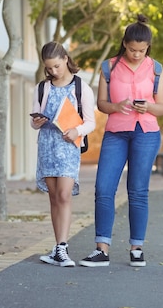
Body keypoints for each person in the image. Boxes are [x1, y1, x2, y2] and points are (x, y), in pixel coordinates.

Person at [79, 14, 163, 268]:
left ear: (148, 47)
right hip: (116, 133)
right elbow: (101, 104)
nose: (136, 54)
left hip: (147, 133)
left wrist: (147, 107)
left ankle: (137, 248)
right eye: (132, 49)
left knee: (138, 190)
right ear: (124, 44)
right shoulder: (109, 67)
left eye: (142, 50)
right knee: (104, 188)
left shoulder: (157, 69)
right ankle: (101, 249)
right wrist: (116, 105)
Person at [31, 42, 96, 267]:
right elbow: (34, 122)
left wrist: (77, 130)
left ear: (66, 59)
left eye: (57, 66)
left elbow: (91, 122)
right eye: (49, 68)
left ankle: (63, 247)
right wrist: (36, 122)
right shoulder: (42, 88)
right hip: (47, 147)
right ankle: (57, 247)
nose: (53, 72)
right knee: (53, 197)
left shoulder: (82, 88)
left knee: (64, 196)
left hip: (68, 147)